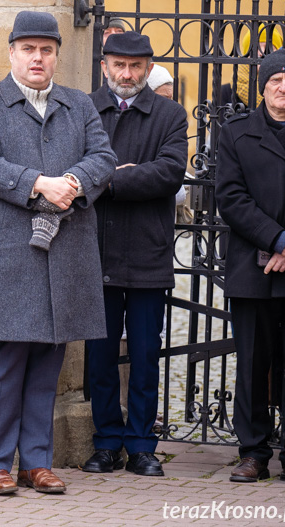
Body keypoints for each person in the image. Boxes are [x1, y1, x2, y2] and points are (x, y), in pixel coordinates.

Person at [0, 11, 116, 496]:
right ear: (12, 53)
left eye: (46, 49)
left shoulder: (79, 104)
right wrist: (38, 183)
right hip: (12, 254)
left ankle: (38, 462)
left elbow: (104, 158)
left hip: (65, 253)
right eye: (28, 49)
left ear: (56, 56)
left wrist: (74, 181)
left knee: (48, 364)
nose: (37, 57)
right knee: (3, 365)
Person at [82, 32, 188, 477]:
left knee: (146, 355)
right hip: (97, 252)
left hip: (148, 251)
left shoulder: (171, 114)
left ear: (148, 68)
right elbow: (73, 166)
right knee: (100, 356)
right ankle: (106, 441)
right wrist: (115, 175)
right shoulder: (84, 108)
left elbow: (168, 172)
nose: (127, 74)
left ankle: (143, 444)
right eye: (119, 65)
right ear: (105, 65)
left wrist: (109, 181)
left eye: (136, 66)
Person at [215, 48, 285, 485]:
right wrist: (277, 239)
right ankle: (252, 452)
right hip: (252, 270)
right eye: (276, 81)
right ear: (263, 88)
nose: (284, 88)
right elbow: (231, 198)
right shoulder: (235, 133)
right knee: (252, 364)